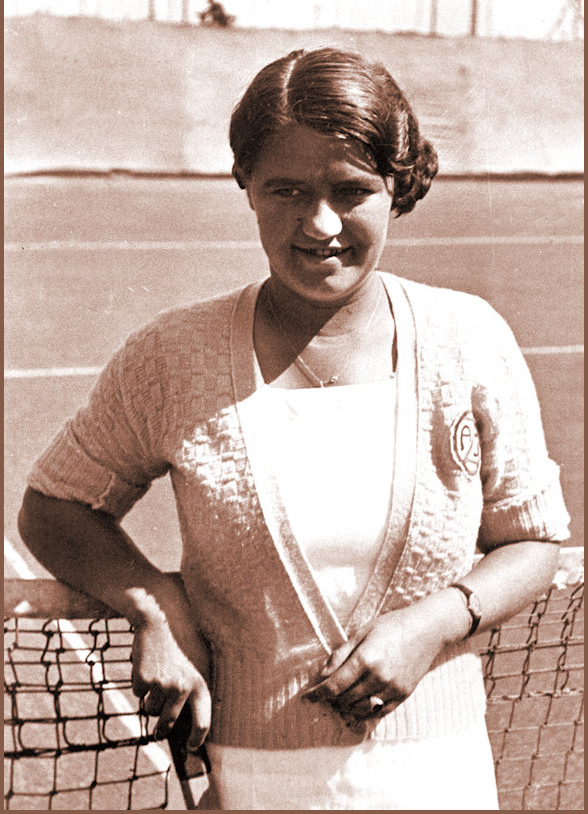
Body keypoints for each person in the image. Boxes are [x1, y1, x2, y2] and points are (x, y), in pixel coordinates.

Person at [18, 47, 570, 810]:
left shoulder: (468, 338)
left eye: (352, 191)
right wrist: (155, 604)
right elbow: (56, 506)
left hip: (442, 777)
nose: (320, 224)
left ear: (396, 190)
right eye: (287, 190)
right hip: (253, 782)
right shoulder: (173, 355)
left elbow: (533, 539)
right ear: (246, 187)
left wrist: (434, 625)